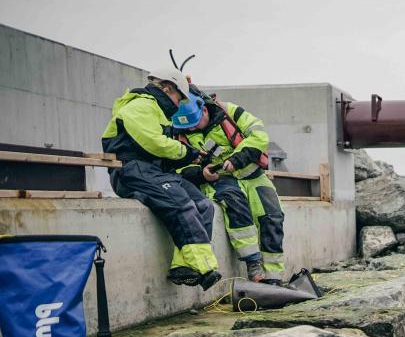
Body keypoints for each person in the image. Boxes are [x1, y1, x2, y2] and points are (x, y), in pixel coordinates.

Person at [100, 68, 222, 290]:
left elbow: (159, 151)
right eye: (179, 97)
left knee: (204, 205)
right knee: (181, 204)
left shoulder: (157, 112)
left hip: (154, 171)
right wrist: (188, 152)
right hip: (131, 171)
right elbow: (154, 143)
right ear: (166, 88)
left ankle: (184, 267)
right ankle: (205, 268)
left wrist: (192, 159)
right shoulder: (139, 106)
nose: (179, 104)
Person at [175, 92, 285, 283]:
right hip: (221, 180)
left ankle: (275, 279)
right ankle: (254, 268)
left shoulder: (230, 112)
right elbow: (180, 165)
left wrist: (237, 159)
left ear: (204, 109)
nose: (192, 128)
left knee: (272, 217)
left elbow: (259, 135)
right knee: (236, 206)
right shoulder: (180, 131)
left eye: (194, 122)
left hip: (252, 175)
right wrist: (202, 174)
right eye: (188, 126)